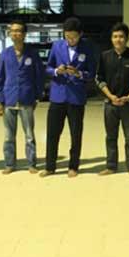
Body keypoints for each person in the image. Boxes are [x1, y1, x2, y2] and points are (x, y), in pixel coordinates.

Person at [40, 17, 96, 178]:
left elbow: (92, 73)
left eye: (74, 37)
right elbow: (48, 68)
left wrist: (79, 73)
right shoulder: (57, 46)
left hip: (76, 97)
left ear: (80, 34)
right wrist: (56, 71)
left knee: (75, 134)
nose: (70, 40)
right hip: (57, 95)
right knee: (52, 133)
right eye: (67, 36)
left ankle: (73, 166)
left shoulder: (87, 48)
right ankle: (50, 166)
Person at [0, 20, 45, 174]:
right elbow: (0, 78)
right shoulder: (5, 53)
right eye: (13, 31)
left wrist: (37, 96)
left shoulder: (32, 53)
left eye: (19, 31)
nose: (15, 33)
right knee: (8, 136)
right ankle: (10, 164)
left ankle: (31, 163)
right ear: (9, 34)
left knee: (29, 134)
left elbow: (39, 76)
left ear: (24, 34)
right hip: (8, 98)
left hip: (27, 98)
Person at [96, 23, 129, 176]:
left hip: (128, 105)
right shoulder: (104, 56)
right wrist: (110, 96)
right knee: (111, 137)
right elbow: (99, 78)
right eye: (115, 36)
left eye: (121, 36)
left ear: (127, 38)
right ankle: (111, 166)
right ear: (111, 39)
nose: (118, 39)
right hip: (110, 104)